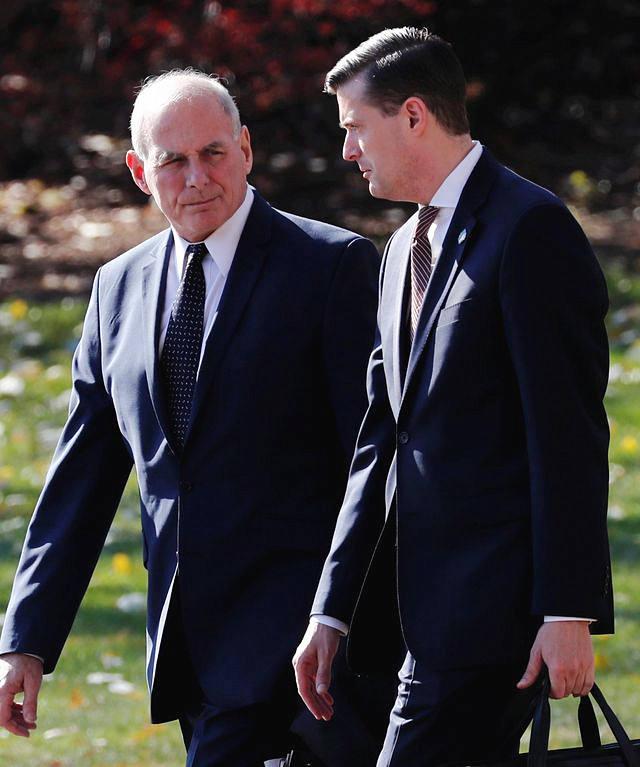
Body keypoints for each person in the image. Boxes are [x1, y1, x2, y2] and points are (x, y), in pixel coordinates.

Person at [0, 69, 387, 767]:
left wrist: (338, 618)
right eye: (173, 160)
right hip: (194, 656)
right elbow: (80, 480)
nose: (197, 177)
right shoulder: (116, 288)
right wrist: (26, 638)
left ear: (246, 149)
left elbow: (376, 462)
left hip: (317, 657)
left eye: (213, 153)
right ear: (139, 172)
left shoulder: (331, 268)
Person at [293, 27, 613, 767]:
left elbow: (567, 435)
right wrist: (331, 611)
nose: (347, 151)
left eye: (354, 127)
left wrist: (568, 611)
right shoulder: (398, 251)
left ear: (413, 115)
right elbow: (380, 441)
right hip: (410, 622)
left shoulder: (531, 230)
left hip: (500, 620)